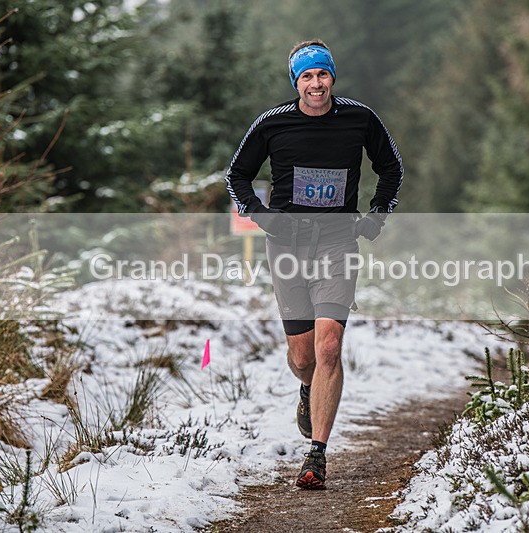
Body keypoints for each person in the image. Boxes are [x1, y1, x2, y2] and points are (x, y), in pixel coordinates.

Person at [225, 40, 403, 489]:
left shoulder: (360, 119)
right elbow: (236, 175)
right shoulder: (273, 123)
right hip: (287, 245)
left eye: (322, 74)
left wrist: (377, 215)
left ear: (332, 77)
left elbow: (392, 168)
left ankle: (316, 456)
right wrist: (261, 216)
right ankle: (307, 389)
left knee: (328, 348)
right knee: (303, 357)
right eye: (307, 77)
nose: (316, 84)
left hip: (338, 243)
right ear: (296, 82)